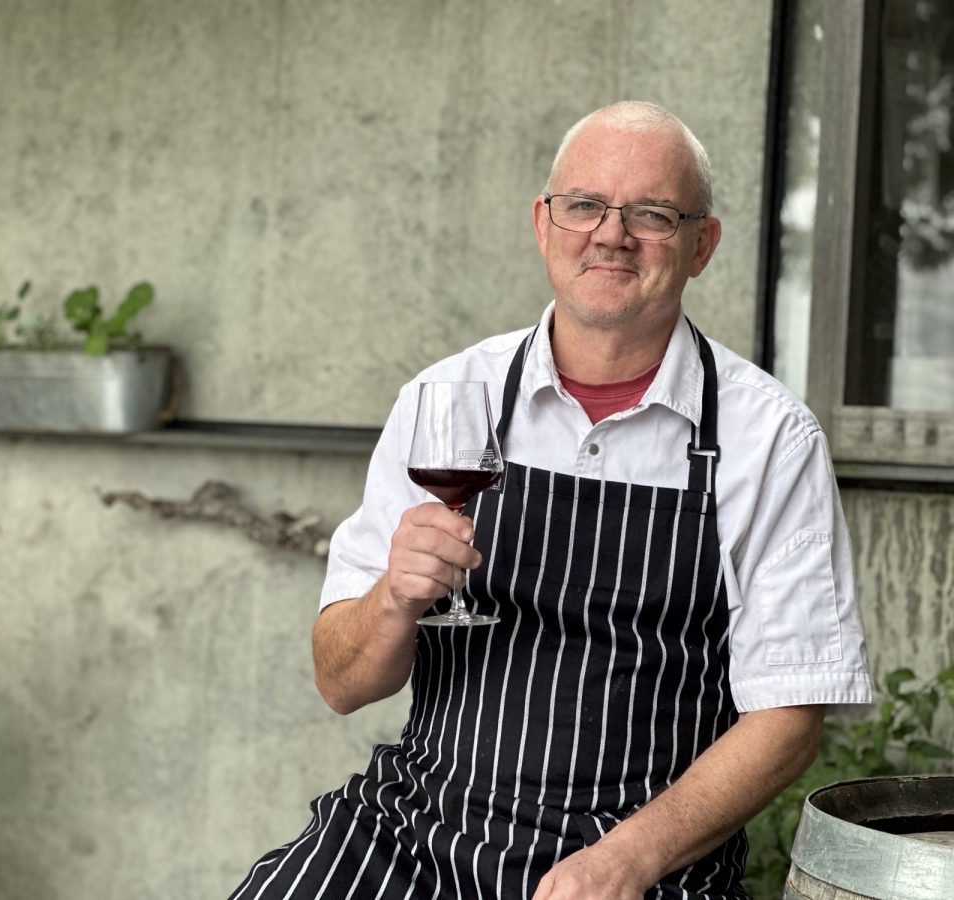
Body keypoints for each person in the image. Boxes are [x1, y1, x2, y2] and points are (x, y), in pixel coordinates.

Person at [229, 100, 873, 900]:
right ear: (544, 224)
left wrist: (627, 860)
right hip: (421, 833)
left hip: (637, 861)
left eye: (653, 213)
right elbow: (342, 683)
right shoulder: (446, 398)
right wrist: (393, 599)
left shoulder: (771, 439)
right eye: (585, 206)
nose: (612, 234)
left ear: (702, 245)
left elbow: (787, 720)